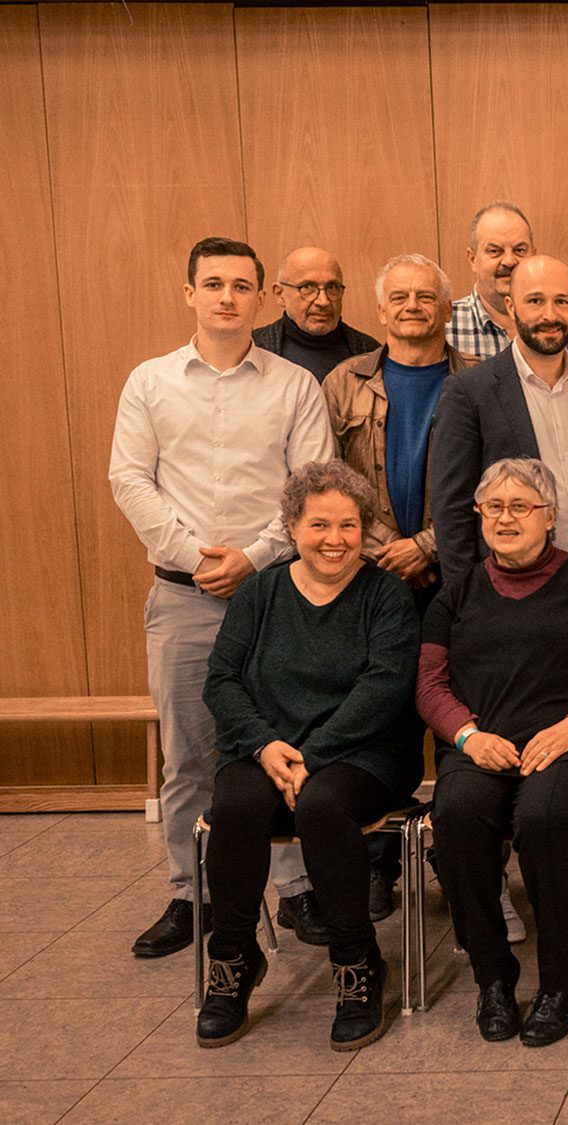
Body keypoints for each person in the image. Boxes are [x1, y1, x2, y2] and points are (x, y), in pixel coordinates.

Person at [109, 237, 338, 960]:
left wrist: (253, 556)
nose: (227, 297)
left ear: (263, 298)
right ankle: (190, 895)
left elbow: (312, 485)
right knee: (189, 755)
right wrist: (193, 557)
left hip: (274, 593)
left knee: (286, 740)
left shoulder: (294, 385)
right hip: (182, 596)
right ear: (189, 293)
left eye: (242, 285)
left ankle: (296, 887)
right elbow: (129, 480)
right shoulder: (149, 383)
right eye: (213, 284)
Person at [195, 460, 422, 1051]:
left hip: (365, 754)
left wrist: (311, 755)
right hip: (266, 746)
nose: (334, 539)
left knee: (322, 805)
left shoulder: (387, 596)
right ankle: (234, 956)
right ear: (292, 526)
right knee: (237, 801)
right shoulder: (261, 592)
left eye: (349, 525)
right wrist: (268, 745)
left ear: (364, 530)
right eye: (319, 524)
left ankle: (355, 962)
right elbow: (221, 680)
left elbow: (385, 687)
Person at [416, 458, 568, 1047]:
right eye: (494, 507)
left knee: (543, 817)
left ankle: (560, 983)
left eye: (521, 506)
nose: (506, 518)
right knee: (458, 814)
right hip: (483, 743)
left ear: (551, 515)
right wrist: (467, 735)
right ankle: (492, 979)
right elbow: (429, 683)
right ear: (479, 516)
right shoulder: (456, 591)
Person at [322, 252, 470, 920]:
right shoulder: (343, 382)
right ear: (381, 310)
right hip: (370, 583)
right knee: (376, 723)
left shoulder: (479, 378)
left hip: (459, 578)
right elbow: (327, 480)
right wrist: (387, 549)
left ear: (448, 307)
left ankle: (466, 862)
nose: (413, 306)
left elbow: (497, 478)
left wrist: (429, 544)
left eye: (426, 296)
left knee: (462, 716)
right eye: (400, 296)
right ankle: (379, 866)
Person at [427, 255, 568, 618]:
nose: (550, 314)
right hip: (514, 596)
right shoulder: (470, 391)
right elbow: (451, 508)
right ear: (510, 305)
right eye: (535, 301)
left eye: (562, 301)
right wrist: (467, 599)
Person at [448, 201, 568, 362]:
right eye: (495, 251)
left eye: (520, 250)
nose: (509, 261)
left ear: (533, 254)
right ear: (472, 259)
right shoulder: (447, 327)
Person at [252, 246, 379, 380]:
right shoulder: (252, 350)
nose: (323, 301)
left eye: (332, 287)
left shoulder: (370, 355)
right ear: (279, 294)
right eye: (307, 287)